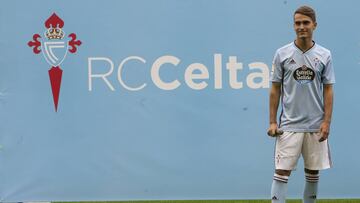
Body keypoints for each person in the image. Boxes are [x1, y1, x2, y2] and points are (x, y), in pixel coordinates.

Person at [267, 5, 335, 203]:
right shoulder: (282, 53)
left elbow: (329, 90)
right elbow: (274, 89)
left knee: (312, 171)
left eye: (305, 23)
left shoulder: (325, 55)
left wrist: (326, 122)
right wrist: (272, 122)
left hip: (315, 126)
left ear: (314, 25)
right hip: (288, 125)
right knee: (281, 171)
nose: (301, 27)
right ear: (293, 26)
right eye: (297, 23)